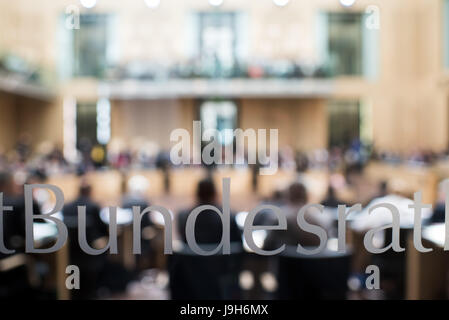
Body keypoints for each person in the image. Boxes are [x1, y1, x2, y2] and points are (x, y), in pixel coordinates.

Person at [264, 182, 333, 250]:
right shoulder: (324, 217)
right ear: (307, 196)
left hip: (286, 260)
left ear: (287, 196)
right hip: (318, 260)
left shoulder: (278, 218)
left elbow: (267, 246)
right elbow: (327, 244)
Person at [177, 179, 241, 245]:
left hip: (191, 255)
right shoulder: (230, 217)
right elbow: (237, 244)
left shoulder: (183, 218)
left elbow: (184, 242)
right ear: (215, 193)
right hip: (224, 255)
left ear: (197, 194)